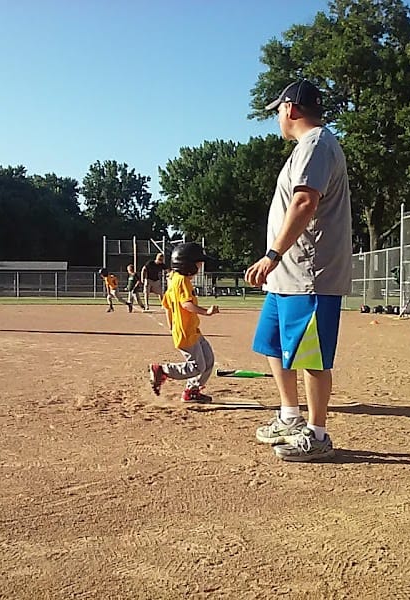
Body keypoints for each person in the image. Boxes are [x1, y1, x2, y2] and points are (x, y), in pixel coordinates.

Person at [244, 80, 352, 462]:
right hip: (287, 277)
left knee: (311, 356)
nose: (277, 116)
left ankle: (318, 433)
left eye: (277, 109)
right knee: (273, 345)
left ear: (290, 109)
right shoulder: (306, 148)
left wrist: (272, 254)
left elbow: (305, 202)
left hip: (309, 273)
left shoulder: (317, 144)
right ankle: (290, 415)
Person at [149, 242, 219, 403]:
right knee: (196, 366)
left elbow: (166, 305)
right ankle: (162, 370)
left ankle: (192, 391)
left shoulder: (173, 279)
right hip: (186, 332)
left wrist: (172, 326)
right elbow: (186, 304)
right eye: (198, 263)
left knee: (208, 360)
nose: (200, 266)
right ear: (188, 265)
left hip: (191, 329)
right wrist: (206, 312)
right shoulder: (182, 281)